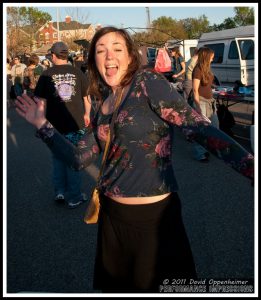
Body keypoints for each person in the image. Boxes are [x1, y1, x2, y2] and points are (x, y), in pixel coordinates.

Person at [15, 27, 254, 293]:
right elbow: (79, 159)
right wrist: (42, 125)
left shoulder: (146, 83)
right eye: (100, 50)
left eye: (117, 48)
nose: (108, 56)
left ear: (130, 56)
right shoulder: (103, 104)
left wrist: (249, 167)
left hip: (154, 222)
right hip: (112, 220)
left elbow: (198, 127)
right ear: (93, 59)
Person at [33, 41, 92, 208]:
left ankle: (60, 191)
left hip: (54, 126)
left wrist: (41, 122)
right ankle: (74, 196)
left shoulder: (46, 75)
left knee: (58, 158)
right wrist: (87, 114)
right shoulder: (78, 72)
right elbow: (86, 98)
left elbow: (40, 102)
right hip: (75, 124)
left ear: (53, 55)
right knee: (73, 159)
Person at [191, 47, 219, 162]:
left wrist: (214, 87)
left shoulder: (206, 68)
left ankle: (211, 148)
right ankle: (200, 153)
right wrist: (198, 108)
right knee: (201, 129)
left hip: (210, 101)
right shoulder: (197, 69)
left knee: (215, 127)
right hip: (201, 102)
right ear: (206, 57)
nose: (212, 59)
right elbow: (195, 90)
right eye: (211, 57)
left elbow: (207, 84)